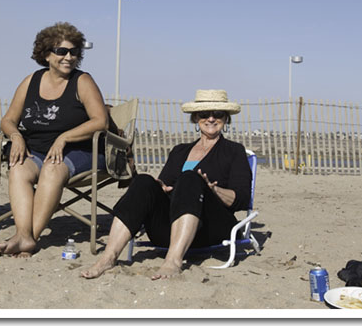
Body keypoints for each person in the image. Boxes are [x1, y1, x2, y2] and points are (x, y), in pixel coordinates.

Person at [81, 89, 251, 280]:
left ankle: (173, 261)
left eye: (217, 114)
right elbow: (165, 185)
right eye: (204, 114)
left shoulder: (234, 151)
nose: (211, 119)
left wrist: (214, 190)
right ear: (196, 118)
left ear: (226, 118)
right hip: (171, 229)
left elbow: (243, 199)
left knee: (190, 178)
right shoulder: (179, 151)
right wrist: (161, 187)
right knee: (144, 181)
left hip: (211, 229)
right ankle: (108, 258)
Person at [0, 22, 108, 257]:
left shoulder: (82, 81)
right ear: (47, 54)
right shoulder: (31, 81)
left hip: (81, 150)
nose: (69, 57)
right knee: (18, 168)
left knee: (52, 168)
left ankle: (31, 238)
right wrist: (16, 136)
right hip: (37, 149)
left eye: (74, 52)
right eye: (61, 51)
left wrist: (64, 137)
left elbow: (101, 121)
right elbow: (8, 120)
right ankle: (23, 234)